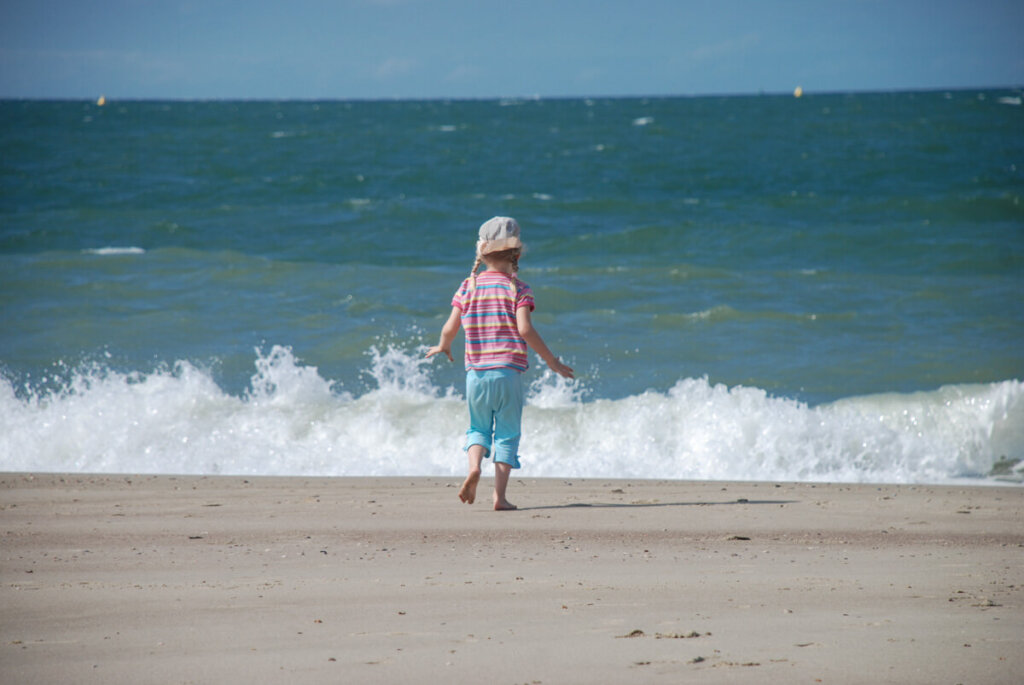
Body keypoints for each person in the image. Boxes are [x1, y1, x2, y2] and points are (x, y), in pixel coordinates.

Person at [426, 217, 574, 511]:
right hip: (508, 374)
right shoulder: (519, 288)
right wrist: (551, 360)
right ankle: (499, 497)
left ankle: (474, 468)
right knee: (507, 433)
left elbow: (449, 327)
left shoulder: (468, 286)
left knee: (477, 428)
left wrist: (443, 346)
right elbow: (525, 330)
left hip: (476, 375)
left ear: (481, 252)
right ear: (516, 254)